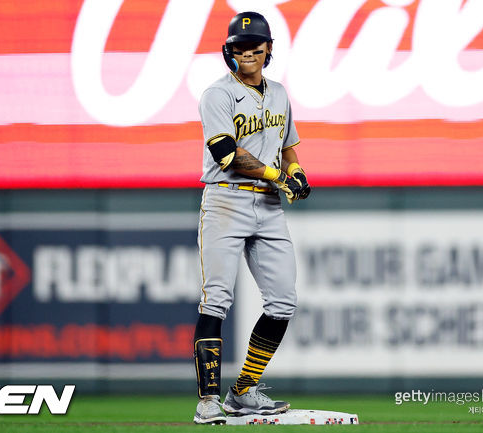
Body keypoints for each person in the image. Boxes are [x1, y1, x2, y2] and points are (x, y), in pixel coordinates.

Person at [192, 11, 311, 424]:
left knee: (283, 300)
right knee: (217, 300)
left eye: (255, 45)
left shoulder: (279, 93)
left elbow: (288, 146)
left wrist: (294, 171)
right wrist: (279, 174)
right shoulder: (217, 95)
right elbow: (227, 155)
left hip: (269, 207)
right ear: (230, 50)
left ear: (268, 49)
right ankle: (207, 401)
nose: (248, 51)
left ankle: (242, 391)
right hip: (226, 201)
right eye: (240, 46)